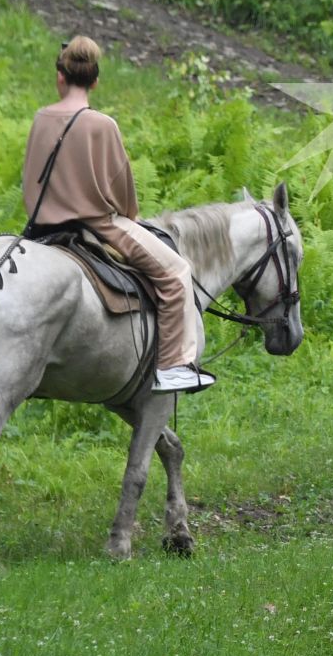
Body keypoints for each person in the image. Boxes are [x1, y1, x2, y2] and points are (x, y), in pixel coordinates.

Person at [21, 36, 212, 392]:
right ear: (95, 81)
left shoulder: (41, 117)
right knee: (176, 274)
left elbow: (29, 179)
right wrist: (129, 214)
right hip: (97, 227)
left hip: (40, 226)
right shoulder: (103, 125)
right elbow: (122, 187)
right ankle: (173, 366)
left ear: (60, 77)